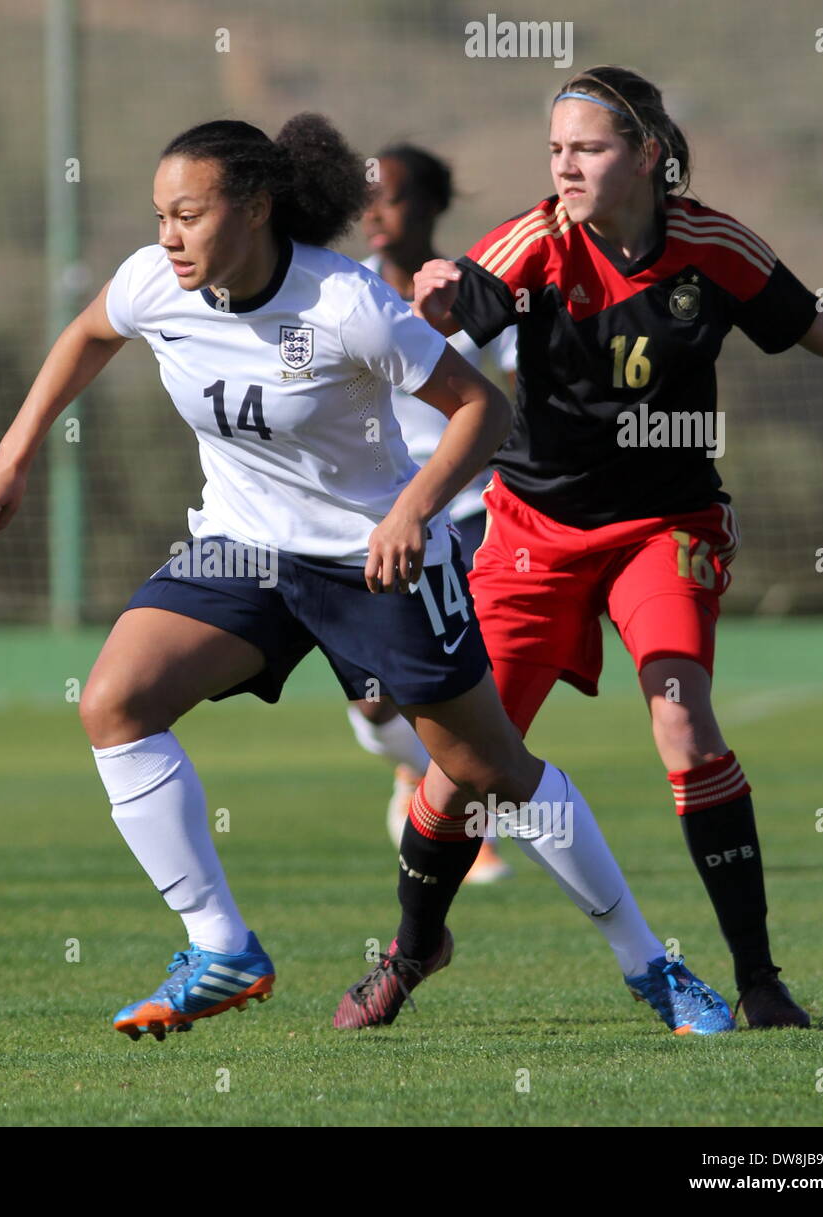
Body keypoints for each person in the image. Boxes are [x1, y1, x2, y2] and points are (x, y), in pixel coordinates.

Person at [0, 113, 723, 1043]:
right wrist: (13, 453)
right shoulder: (154, 283)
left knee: (489, 773)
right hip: (243, 551)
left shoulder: (345, 303)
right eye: (159, 214)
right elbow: (89, 332)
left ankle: (651, 965)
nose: (168, 235)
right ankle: (222, 946)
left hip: (372, 560)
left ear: (255, 208)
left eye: (188, 215)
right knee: (114, 701)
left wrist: (411, 513)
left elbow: (481, 409)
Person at [387, 64, 823, 1028]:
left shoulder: (713, 246)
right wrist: (436, 301)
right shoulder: (532, 244)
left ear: (648, 156)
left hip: (667, 525)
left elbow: (815, 328)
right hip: (536, 529)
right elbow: (452, 321)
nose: (566, 166)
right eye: (556, 149)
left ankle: (759, 978)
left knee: (684, 721)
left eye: (589, 148)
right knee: (466, 762)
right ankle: (407, 954)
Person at [354, 143, 516, 877]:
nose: (375, 212)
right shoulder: (344, 294)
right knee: (373, 699)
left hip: (468, 512)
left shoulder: (477, 292)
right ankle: (414, 775)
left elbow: (518, 394)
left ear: (429, 206)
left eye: (391, 196)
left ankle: (459, 813)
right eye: (365, 198)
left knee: (467, 683)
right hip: (367, 519)